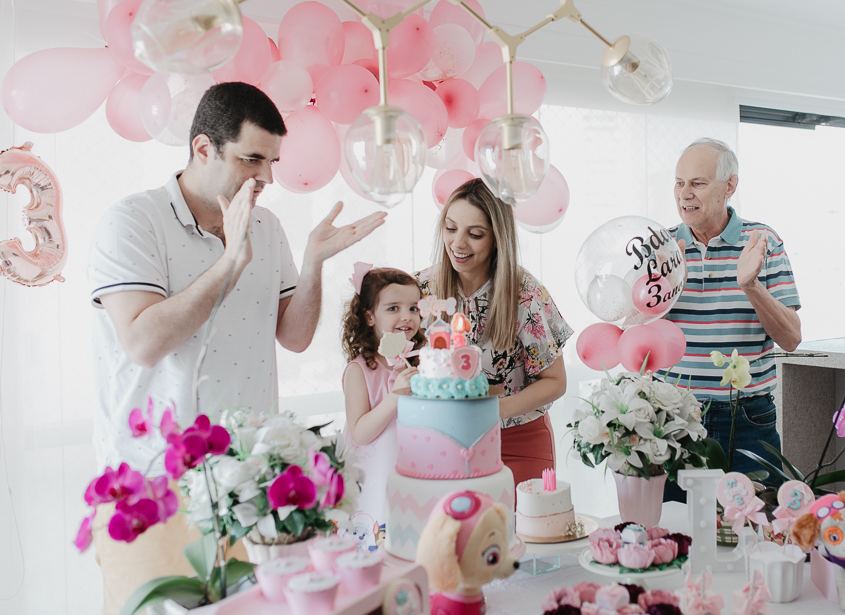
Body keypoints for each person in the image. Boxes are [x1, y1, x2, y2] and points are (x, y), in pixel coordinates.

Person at [87, 82, 385, 614]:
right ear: (204, 148)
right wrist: (229, 262)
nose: (267, 177)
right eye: (252, 159)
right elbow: (143, 342)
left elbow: (293, 338)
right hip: (153, 489)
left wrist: (314, 261)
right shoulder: (132, 222)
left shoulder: (267, 228)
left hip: (246, 484)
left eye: (272, 161)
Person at [657, 138, 801, 501]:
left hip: (747, 420)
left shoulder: (763, 241)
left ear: (729, 187)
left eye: (697, 183)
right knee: (677, 532)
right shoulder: (660, 246)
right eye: (679, 182)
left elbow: (791, 338)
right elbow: (633, 333)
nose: (684, 193)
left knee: (758, 529)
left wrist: (750, 284)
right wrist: (654, 292)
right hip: (674, 419)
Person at [416, 179, 572, 489]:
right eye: (450, 228)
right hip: (443, 443)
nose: (458, 243)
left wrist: (492, 411)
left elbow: (556, 382)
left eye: (475, 234)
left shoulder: (525, 294)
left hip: (519, 442)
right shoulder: (421, 289)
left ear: (497, 239)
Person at [341, 265, 424, 527]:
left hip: (417, 469)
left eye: (413, 308)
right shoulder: (360, 370)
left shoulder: (421, 363)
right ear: (369, 317)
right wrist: (394, 397)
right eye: (393, 308)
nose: (406, 316)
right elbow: (360, 433)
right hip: (377, 477)